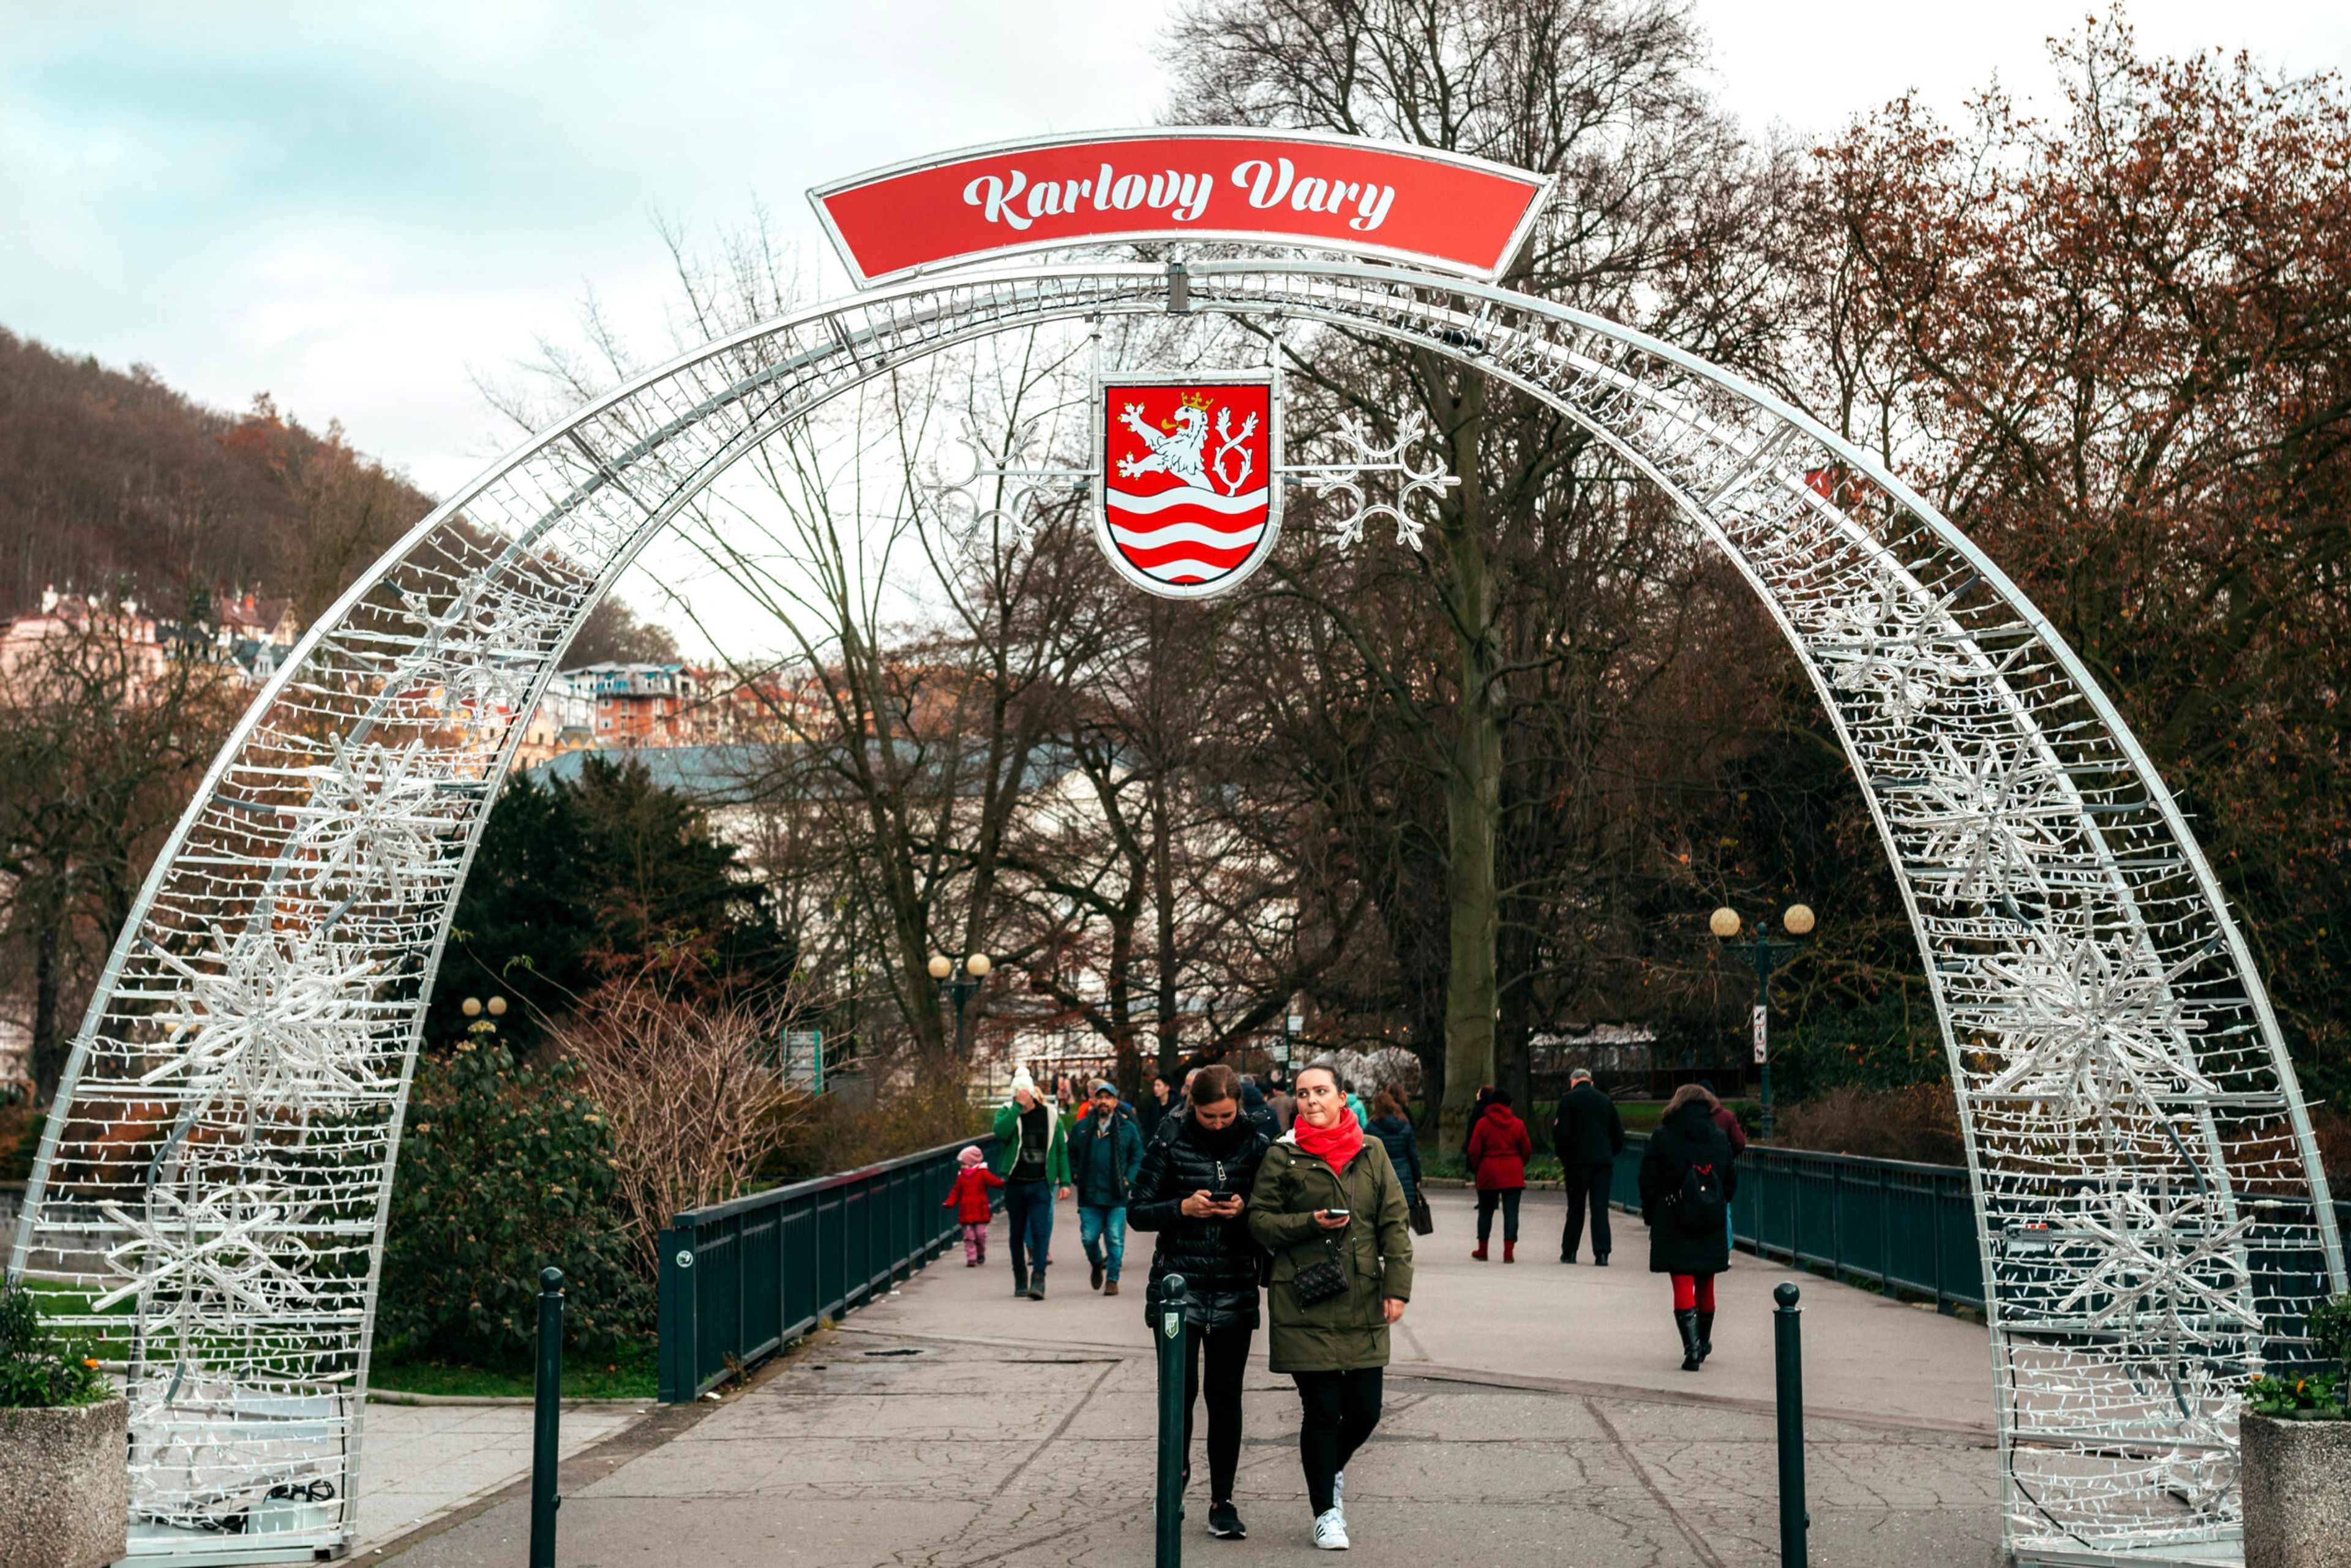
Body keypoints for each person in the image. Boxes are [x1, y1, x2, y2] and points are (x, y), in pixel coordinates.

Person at [1248, 1061, 1414, 1551]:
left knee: (1365, 1411)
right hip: (1306, 1298)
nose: (1311, 1100)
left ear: (1343, 1098)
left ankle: (1329, 1469)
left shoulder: (1372, 1150)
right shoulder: (1283, 1155)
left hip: (1363, 1297)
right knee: (1322, 1410)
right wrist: (1308, 1223)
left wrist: (1397, 1287)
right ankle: (1326, 1511)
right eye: (1302, 1093)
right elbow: (1259, 1221)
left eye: (1321, 1091)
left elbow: (1395, 1224)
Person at [1130, 1062, 1272, 1541]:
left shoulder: (1256, 1143)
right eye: (1209, 1115)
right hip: (1178, 1290)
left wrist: (1244, 1209)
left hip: (1234, 1285)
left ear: (1239, 1107)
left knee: (1225, 1396)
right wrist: (1181, 1208)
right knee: (1180, 1393)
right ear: (1194, 1106)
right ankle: (1175, 1479)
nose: (1217, 1123)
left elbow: (1273, 1211)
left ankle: (1223, 1500)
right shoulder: (1168, 1138)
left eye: (1226, 1115)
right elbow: (1136, 1211)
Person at [1638, 1083, 1741, 1371]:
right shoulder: (1719, 1139)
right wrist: (1715, 1202)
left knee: (1682, 1279)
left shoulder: (1663, 1137)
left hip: (1673, 1215)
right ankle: (1704, 1342)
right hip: (1710, 1219)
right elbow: (1731, 1181)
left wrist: (1652, 1214)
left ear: (1677, 1105)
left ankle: (1692, 1349)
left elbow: (1647, 1179)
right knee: (1707, 1280)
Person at [990, 1071, 1071, 1300]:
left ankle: (1039, 1278)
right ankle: (1020, 1277)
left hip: (1040, 1184)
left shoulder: (1051, 1115)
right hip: (1015, 1184)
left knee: (1040, 1230)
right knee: (1017, 1233)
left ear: (1033, 1093)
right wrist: (1017, 1108)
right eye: (1017, 1094)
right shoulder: (1008, 1113)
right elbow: (1000, 1133)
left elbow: (1060, 1151)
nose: (1021, 1097)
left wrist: (1064, 1181)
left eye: (1024, 1093)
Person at [1069, 1081, 1143, 1296]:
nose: (1103, 1102)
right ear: (1093, 1101)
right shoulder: (1082, 1128)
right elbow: (1071, 1152)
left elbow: (1137, 1157)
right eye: (1099, 1097)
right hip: (1089, 1194)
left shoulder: (1127, 1129)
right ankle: (1095, 1262)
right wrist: (1075, 1175)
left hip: (1117, 1194)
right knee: (1089, 1238)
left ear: (1115, 1102)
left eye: (1108, 1098)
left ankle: (1113, 1279)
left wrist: (1129, 1180)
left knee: (1114, 1237)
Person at [1551, 1068, 1625, 1264]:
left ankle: (1570, 1251)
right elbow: (1618, 1135)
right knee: (1600, 1208)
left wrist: (1564, 1156)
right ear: (1591, 1082)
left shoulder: (1568, 1100)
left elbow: (1561, 1134)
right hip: (1603, 1163)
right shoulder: (1605, 1101)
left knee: (1576, 1207)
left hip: (1577, 1162)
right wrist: (1609, 1153)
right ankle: (1602, 1253)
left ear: (1573, 1081)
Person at [1464, 1088, 1531, 1262]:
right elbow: (1526, 1149)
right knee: (1511, 1213)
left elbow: (1474, 1149)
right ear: (1509, 1104)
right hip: (1513, 1172)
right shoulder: (1518, 1124)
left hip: (1489, 1171)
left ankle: (1483, 1250)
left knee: (1486, 1211)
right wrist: (1519, 1163)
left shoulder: (1483, 1124)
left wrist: (1478, 1166)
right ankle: (1508, 1252)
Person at [1697, 1078, 1749, 1256]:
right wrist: (1728, 1157)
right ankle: (1725, 1249)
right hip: (1720, 1171)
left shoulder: (1694, 1118)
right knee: (1724, 1209)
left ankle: (1703, 1246)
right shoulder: (1726, 1117)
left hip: (1696, 1171)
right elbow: (1740, 1143)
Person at [942, 1144, 1005, 1266]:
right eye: (961, 1165)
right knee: (969, 1237)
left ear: (972, 1163)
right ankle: (971, 1258)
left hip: (980, 1210)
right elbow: (956, 1192)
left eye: (964, 1164)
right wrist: (949, 1203)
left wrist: (1005, 1185)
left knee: (980, 1235)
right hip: (966, 1212)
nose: (962, 1167)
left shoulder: (983, 1174)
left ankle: (980, 1253)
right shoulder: (961, 1178)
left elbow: (994, 1182)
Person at [1363, 1089, 1423, 1217]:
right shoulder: (1405, 1125)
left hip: (1380, 1174)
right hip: (1404, 1174)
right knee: (1403, 1219)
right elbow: (1413, 1155)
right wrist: (1417, 1177)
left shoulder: (1371, 1128)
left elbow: (1366, 1155)